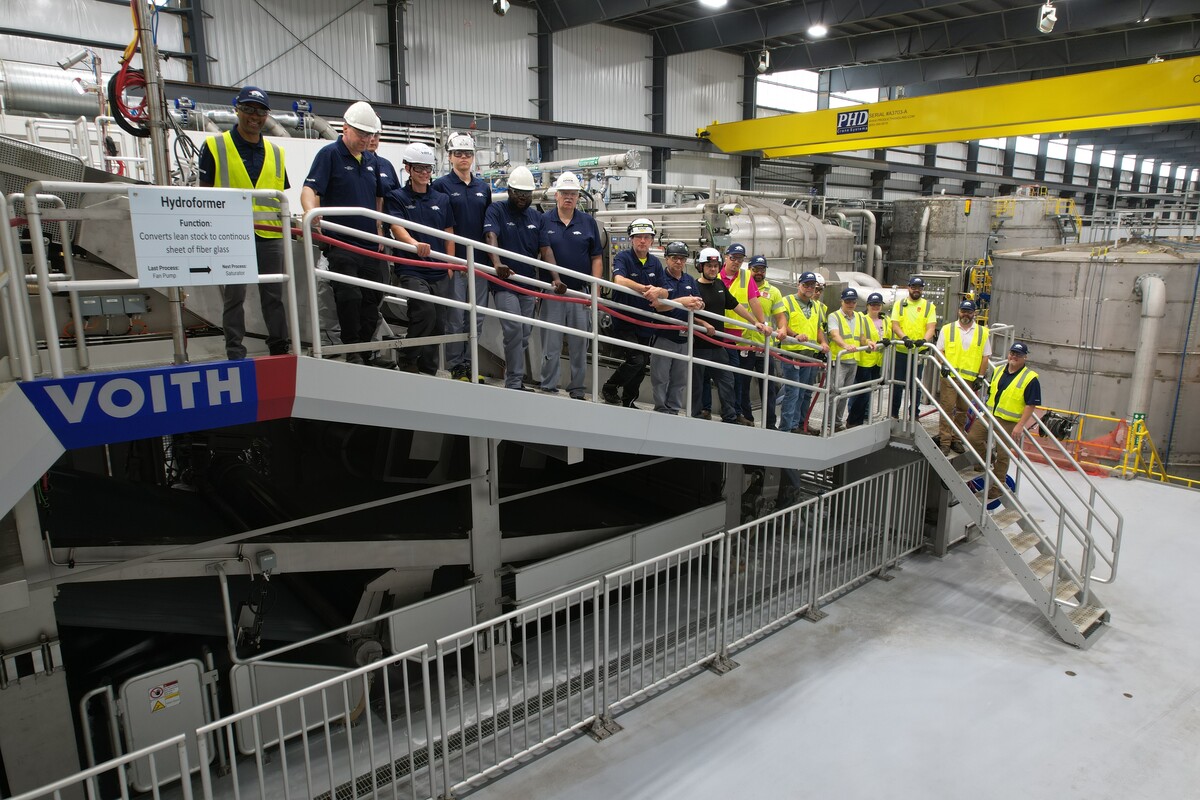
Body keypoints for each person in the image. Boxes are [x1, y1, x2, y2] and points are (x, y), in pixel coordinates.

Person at [198, 86, 290, 360]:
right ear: (236, 109)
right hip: (231, 234)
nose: (254, 116)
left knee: (274, 295)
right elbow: (204, 193)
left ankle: (280, 348)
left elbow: (279, 195)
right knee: (234, 296)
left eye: (261, 111)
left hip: (269, 234)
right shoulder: (215, 146)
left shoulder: (276, 152)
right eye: (248, 109)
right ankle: (235, 351)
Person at [302, 101, 386, 363]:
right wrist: (311, 214)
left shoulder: (371, 160)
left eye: (369, 135)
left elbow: (377, 197)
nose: (365, 139)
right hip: (341, 242)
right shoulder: (329, 155)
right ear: (345, 128)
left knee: (373, 298)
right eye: (360, 134)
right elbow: (310, 190)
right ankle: (352, 349)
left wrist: (380, 230)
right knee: (350, 296)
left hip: (370, 245)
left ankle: (363, 348)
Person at [385, 142, 456, 375]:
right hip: (412, 268)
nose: (425, 174)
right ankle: (407, 357)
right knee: (424, 311)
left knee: (439, 322)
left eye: (428, 169)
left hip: (439, 269)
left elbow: (449, 233)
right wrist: (415, 245)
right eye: (419, 169)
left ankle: (429, 369)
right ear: (407, 168)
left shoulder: (442, 199)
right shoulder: (396, 197)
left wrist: (450, 264)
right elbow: (396, 226)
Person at [483, 166, 554, 390]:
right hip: (504, 282)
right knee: (513, 327)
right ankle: (514, 381)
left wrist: (556, 278)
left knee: (523, 334)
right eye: (517, 193)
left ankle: (513, 376)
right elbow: (490, 236)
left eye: (526, 193)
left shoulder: (537, 217)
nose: (522, 198)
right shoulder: (496, 210)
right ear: (509, 190)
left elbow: (546, 250)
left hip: (528, 284)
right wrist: (497, 264)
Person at [433, 133, 493, 381]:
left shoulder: (483, 187)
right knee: (455, 318)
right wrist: (446, 261)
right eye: (458, 154)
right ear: (450, 157)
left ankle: (471, 364)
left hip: (479, 263)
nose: (464, 158)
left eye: (467, 153)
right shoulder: (441, 186)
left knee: (476, 318)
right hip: (455, 262)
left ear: (473, 156)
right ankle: (455, 365)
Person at [539, 171, 602, 399]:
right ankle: (549, 385)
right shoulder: (544, 220)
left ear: (578, 197)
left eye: (573, 194)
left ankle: (577, 389)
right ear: (556, 195)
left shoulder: (588, 222)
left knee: (579, 345)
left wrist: (595, 290)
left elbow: (596, 257)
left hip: (579, 293)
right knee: (551, 343)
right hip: (552, 291)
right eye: (565, 193)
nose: (569, 197)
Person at [692, 247, 763, 423]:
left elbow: (735, 305)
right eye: (709, 265)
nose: (713, 269)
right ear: (701, 267)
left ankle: (730, 416)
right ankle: (697, 415)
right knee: (698, 383)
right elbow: (689, 314)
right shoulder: (694, 286)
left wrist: (754, 322)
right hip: (699, 345)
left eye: (716, 266)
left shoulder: (719, 285)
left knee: (727, 381)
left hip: (718, 345)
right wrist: (704, 324)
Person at [602, 218, 667, 406]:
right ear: (631, 239)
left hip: (646, 324)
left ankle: (629, 400)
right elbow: (619, 281)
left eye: (647, 237)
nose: (642, 241)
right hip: (625, 321)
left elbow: (665, 290)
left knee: (641, 366)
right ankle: (610, 387)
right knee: (636, 360)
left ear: (652, 240)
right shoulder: (623, 257)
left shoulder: (655, 263)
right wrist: (644, 288)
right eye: (638, 237)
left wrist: (658, 292)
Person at [967, 342, 1041, 501]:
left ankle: (997, 486)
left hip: (1009, 421)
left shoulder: (1030, 378)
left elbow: (1031, 404)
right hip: (989, 414)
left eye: (1018, 355)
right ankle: (985, 459)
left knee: (1003, 453)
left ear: (1025, 357)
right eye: (1012, 353)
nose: (1014, 356)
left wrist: (1020, 425)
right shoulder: (999, 370)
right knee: (973, 438)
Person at [649, 241, 704, 414]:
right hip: (664, 335)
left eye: (682, 258)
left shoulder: (689, 280)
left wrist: (698, 304)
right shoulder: (661, 279)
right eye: (674, 258)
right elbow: (658, 306)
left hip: (685, 337)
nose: (679, 262)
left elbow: (700, 302)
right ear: (667, 259)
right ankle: (661, 407)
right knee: (660, 376)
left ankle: (674, 408)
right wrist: (683, 302)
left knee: (680, 378)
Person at [718, 243, 766, 424]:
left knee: (736, 378)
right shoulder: (714, 273)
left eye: (740, 259)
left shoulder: (747, 277)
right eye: (733, 258)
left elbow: (754, 301)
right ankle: (710, 410)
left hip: (739, 336)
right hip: (716, 332)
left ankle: (734, 413)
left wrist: (761, 324)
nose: (737, 262)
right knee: (711, 374)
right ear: (726, 257)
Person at [935, 300, 991, 454]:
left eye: (969, 311)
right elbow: (939, 350)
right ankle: (945, 441)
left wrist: (980, 376)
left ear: (974, 313)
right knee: (947, 408)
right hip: (950, 377)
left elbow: (985, 356)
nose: (965, 314)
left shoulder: (982, 332)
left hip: (969, 379)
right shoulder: (948, 329)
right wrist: (944, 364)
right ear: (958, 311)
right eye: (963, 311)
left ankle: (957, 439)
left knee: (962, 410)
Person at [777, 272, 829, 433]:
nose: (809, 288)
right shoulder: (787, 301)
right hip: (793, 353)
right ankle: (787, 427)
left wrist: (823, 342)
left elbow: (818, 328)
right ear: (799, 285)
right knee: (793, 392)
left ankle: (800, 424)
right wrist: (795, 335)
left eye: (812, 285)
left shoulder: (816, 306)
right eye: (806, 285)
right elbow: (782, 323)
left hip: (810, 355)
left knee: (805, 392)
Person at [744, 255, 785, 430]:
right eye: (756, 269)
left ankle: (769, 423)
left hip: (765, 346)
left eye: (762, 269)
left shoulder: (773, 292)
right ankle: (746, 417)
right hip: (743, 344)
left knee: (768, 388)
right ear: (749, 269)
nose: (759, 273)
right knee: (742, 385)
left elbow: (780, 317)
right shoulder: (742, 287)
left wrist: (782, 329)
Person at [826, 287, 874, 431]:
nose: (850, 304)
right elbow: (834, 335)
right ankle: (829, 424)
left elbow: (861, 337)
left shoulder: (859, 316)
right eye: (848, 301)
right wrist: (845, 345)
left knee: (844, 394)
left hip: (853, 360)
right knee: (835, 393)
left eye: (853, 302)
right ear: (842, 301)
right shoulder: (834, 316)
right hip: (839, 360)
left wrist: (868, 342)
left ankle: (837, 423)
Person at [889, 275, 937, 418]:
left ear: (922, 290)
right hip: (901, 350)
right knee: (897, 384)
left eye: (919, 288)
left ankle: (914, 414)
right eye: (914, 287)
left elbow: (931, 327)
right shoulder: (899, 304)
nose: (916, 290)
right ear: (909, 288)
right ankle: (894, 414)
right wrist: (904, 338)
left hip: (918, 352)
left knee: (915, 385)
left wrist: (923, 340)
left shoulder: (929, 306)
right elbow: (895, 325)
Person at [847, 291, 888, 427]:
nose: (875, 307)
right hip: (865, 361)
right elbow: (861, 337)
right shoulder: (861, 318)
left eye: (878, 304)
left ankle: (864, 416)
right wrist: (869, 342)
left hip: (878, 361)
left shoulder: (885, 320)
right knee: (861, 392)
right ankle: (853, 420)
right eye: (872, 304)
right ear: (868, 305)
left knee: (871, 390)